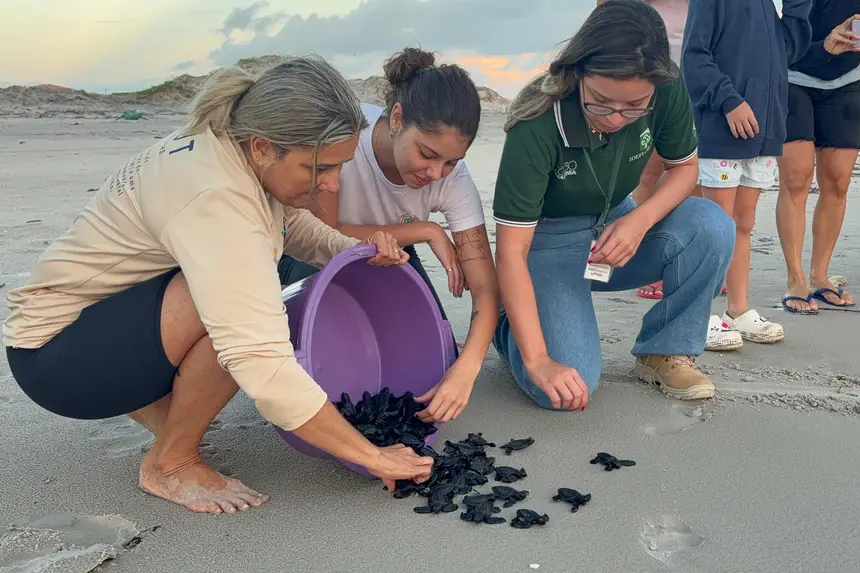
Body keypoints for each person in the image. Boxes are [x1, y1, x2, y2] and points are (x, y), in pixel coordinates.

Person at [2, 56, 435, 515]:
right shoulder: (216, 199)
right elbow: (261, 361)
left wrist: (352, 254)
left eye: (341, 166)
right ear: (265, 147)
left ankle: (162, 411)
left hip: (106, 321)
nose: (331, 186)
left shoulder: (230, 145)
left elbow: (292, 227)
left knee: (234, 289)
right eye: (320, 169)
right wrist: (372, 455)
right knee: (246, 307)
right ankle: (171, 463)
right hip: (57, 358)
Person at [491, 0, 736, 410]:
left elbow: (684, 170)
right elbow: (512, 250)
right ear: (577, 72)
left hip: (619, 221)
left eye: (635, 106)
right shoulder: (536, 120)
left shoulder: (667, 86)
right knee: (567, 390)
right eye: (600, 101)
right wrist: (539, 361)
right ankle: (509, 327)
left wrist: (639, 220)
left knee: (711, 224)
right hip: (549, 240)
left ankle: (664, 350)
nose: (617, 118)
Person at [277, 48, 501, 424]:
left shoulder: (453, 182)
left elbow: (486, 288)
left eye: (451, 162)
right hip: (313, 254)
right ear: (397, 118)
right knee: (321, 356)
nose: (436, 173)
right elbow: (321, 234)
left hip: (392, 254)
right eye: (426, 153)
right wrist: (427, 229)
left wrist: (468, 366)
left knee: (430, 359)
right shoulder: (347, 136)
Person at [681, 0, 813, 347]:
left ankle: (737, 311)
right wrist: (729, 100)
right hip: (723, 128)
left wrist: (800, 6)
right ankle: (701, 315)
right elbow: (694, 57)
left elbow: (790, 51)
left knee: (743, 224)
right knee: (717, 226)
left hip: (764, 131)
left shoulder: (767, 6)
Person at [598, 0, 704, 303]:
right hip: (634, 81)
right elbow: (605, 18)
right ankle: (645, 259)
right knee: (647, 171)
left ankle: (681, 258)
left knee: (689, 170)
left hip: (695, 81)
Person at [777, 6, 860, 314]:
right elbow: (775, 41)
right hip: (792, 76)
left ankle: (819, 273)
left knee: (838, 181)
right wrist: (824, 46)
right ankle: (795, 278)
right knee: (797, 179)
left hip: (848, 80)